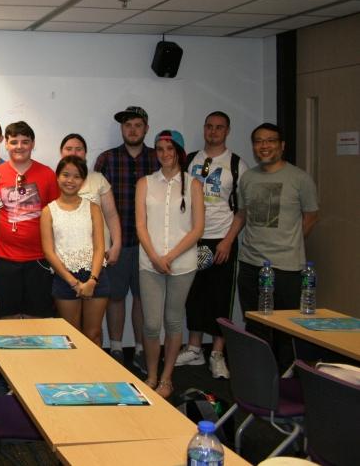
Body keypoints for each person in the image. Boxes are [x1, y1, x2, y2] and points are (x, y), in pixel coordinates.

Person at [236, 122, 319, 368]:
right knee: (255, 327)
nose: (264, 146)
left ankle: (285, 380)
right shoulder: (248, 178)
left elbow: (311, 216)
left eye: (270, 140)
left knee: (286, 330)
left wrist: (290, 242)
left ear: (282, 145)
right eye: (259, 141)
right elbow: (242, 214)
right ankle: (259, 380)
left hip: (287, 267)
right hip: (250, 264)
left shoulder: (300, 178)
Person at [176, 112, 247, 379]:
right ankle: (195, 348)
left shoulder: (237, 164)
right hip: (194, 239)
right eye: (209, 126)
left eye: (219, 128)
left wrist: (228, 241)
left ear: (227, 131)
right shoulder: (191, 159)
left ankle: (217, 353)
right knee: (193, 295)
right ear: (203, 128)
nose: (213, 132)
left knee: (220, 298)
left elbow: (242, 211)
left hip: (222, 240)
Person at [135, 130, 204, 399]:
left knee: (174, 322)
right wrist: (155, 256)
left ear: (179, 152)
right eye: (159, 149)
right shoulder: (145, 183)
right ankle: (151, 375)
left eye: (169, 149)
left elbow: (197, 229)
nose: (164, 154)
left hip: (182, 265)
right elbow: (140, 224)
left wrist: (171, 256)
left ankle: (167, 378)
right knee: (151, 324)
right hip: (149, 263)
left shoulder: (193, 184)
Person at [94, 105, 157, 372]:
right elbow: (95, 203)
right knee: (116, 296)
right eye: (127, 125)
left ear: (146, 128)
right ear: (122, 129)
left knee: (143, 298)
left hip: (149, 245)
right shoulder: (106, 159)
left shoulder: (157, 159)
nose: (132, 130)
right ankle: (118, 347)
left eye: (137, 125)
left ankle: (142, 349)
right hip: (116, 244)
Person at [0, 121, 59, 320]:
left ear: (33, 144)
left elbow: (56, 217)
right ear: (6, 144)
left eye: (25, 142)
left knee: (37, 321)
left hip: (39, 261)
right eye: (14, 142)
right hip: (4, 261)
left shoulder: (47, 175)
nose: (19, 147)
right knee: (6, 321)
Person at [41, 155, 108, 346]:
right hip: (65, 279)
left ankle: (95, 376)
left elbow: (99, 247)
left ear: (83, 180)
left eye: (77, 176)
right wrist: (74, 283)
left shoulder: (93, 208)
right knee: (71, 338)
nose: (70, 181)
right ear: (58, 176)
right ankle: (74, 376)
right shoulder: (48, 211)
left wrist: (92, 280)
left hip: (96, 276)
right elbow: (49, 252)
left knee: (93, 334)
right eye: (66, 175)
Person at [60, 134, 122, 266]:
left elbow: (111, 215)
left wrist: (116, 245)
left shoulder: (98, 179)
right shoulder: (54, 181)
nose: (74, 153)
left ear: (85, 153)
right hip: (65, 257)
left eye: (78, 149)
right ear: (61, 152)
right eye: (68, 149)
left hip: (98, 255)